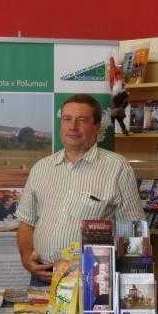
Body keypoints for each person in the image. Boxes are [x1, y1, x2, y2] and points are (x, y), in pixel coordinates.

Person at [16, 93, 144, 285]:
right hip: (42, 276)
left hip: (90, 281)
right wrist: (27, 258)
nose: (72, 127)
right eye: (67, 119)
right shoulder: (41, 167)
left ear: (97, 126)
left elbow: (133, 231)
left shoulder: (118, 168)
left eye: (82, 120)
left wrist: (130, 286)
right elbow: (26, 223)